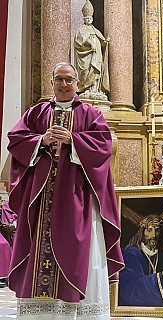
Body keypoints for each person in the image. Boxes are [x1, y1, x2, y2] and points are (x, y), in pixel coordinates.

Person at [7, 62, 124, 319]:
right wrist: (41, 140)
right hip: (42, 200)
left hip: (77, 196)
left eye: (69, 80)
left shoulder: (91, 114)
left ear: (77, 84)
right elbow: (16, 140)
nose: (63, 84)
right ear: (51, 83)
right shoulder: (36, 114)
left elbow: (103, 145)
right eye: (59, 79)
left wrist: (74, 140)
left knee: (80, 252)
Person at [74, 0, 110, 101]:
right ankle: (87, 89)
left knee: (96, 70)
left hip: (97, 54)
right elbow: (79, 41)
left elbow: (101, 41)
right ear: (84, 19)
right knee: (88, 71)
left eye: (90, 18)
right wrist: (89, 43)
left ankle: (95, 89)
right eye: (87, 18)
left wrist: (104, 42)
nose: (89, 20)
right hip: (87, 56)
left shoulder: (96, 30)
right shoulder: (81, 29)